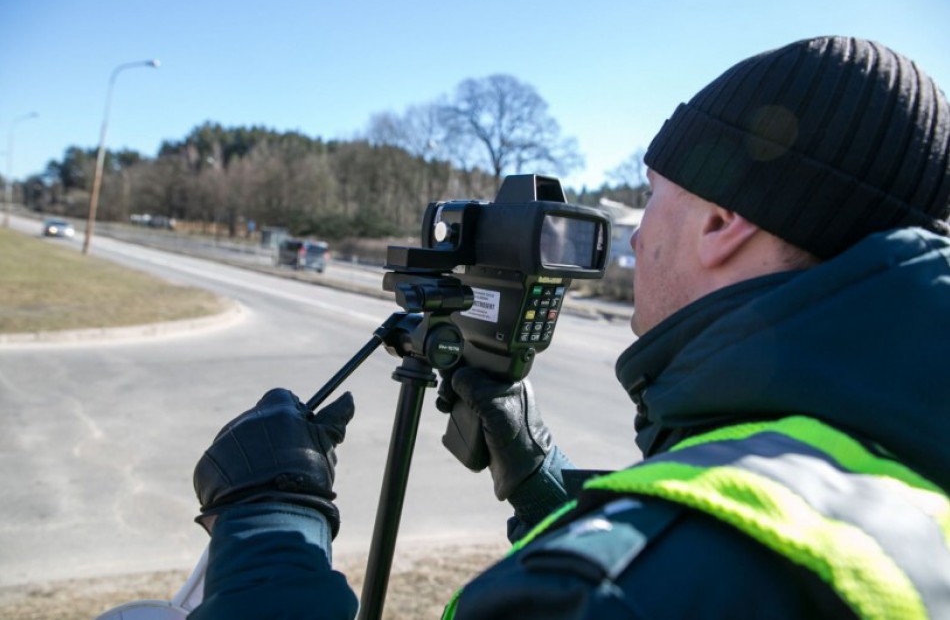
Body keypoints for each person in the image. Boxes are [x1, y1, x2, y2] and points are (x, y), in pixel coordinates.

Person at [188, 35, 950, 619]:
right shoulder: (905, 476)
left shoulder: (609, 592)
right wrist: (544, 491)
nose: (641, 237)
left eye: (656, 199)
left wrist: (271, 528)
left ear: (722, 222)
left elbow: (671, 580)